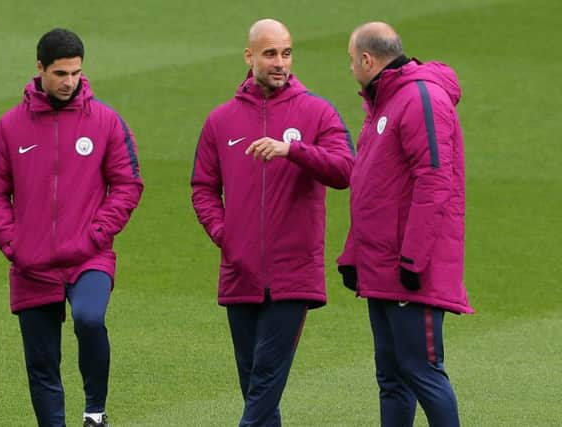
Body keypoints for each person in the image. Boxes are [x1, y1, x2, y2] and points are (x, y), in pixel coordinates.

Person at [191, 18, 354, 427]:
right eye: (270, 54)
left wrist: (293, 150)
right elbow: (203, 188)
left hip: (293, 273)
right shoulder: (221, 120)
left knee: (265, 379)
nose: (280, 62)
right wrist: (225, 235)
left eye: (286, 53)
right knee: (255, 386)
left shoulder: (317, 112)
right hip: (239, 270)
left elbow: (346, 170)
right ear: (249, 57)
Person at [0, 28, 144, 427]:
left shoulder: (105, 121)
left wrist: (97, 234)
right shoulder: (9, 127)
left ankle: (95, 411)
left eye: (75, 73)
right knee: (41, 362)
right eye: (60, 73)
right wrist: (14, 243)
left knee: (90, 319)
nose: (69, 82)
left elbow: (128, 184)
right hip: (31, 262)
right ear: (39, 69)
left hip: (88, 256)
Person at [337, 21, 474, 427]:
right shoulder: (383, 103)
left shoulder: (420, 98)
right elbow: (371, 188)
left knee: (422, 372)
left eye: (350, 61)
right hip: (382, 266)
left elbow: (434, 179)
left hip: (411, 268)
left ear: (367, 59)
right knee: (392, 378)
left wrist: (413, 260)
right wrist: (354, 256)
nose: (350, 69)